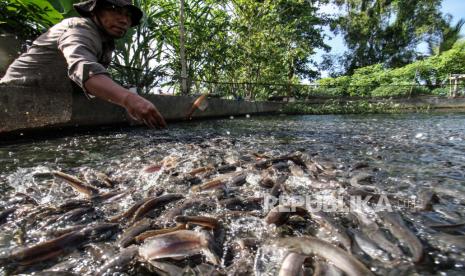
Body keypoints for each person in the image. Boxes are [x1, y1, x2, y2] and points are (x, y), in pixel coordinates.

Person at [0, 0, 166, 128]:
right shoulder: (78, 29)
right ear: (95, 12)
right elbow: (84, 69)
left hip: (47, 101)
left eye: (128, 16)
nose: (124, 20)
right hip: (12, 98)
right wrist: (129, 98)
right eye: (114, 10)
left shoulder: (105, 42)